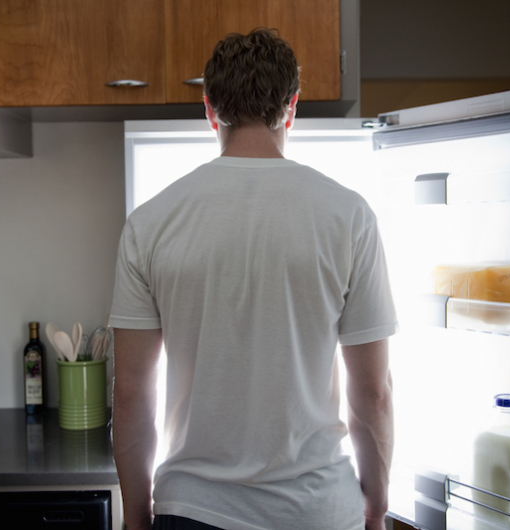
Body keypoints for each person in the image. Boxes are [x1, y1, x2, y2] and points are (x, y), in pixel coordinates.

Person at [110, 28, 398, 530]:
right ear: (291, 107)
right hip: (318, 511)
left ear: (209, 108)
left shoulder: (150, 222)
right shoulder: (348, 216)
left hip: (192, 510)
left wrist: (137, 518)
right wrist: (375, 503)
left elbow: (132, 393)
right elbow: (372, 392)